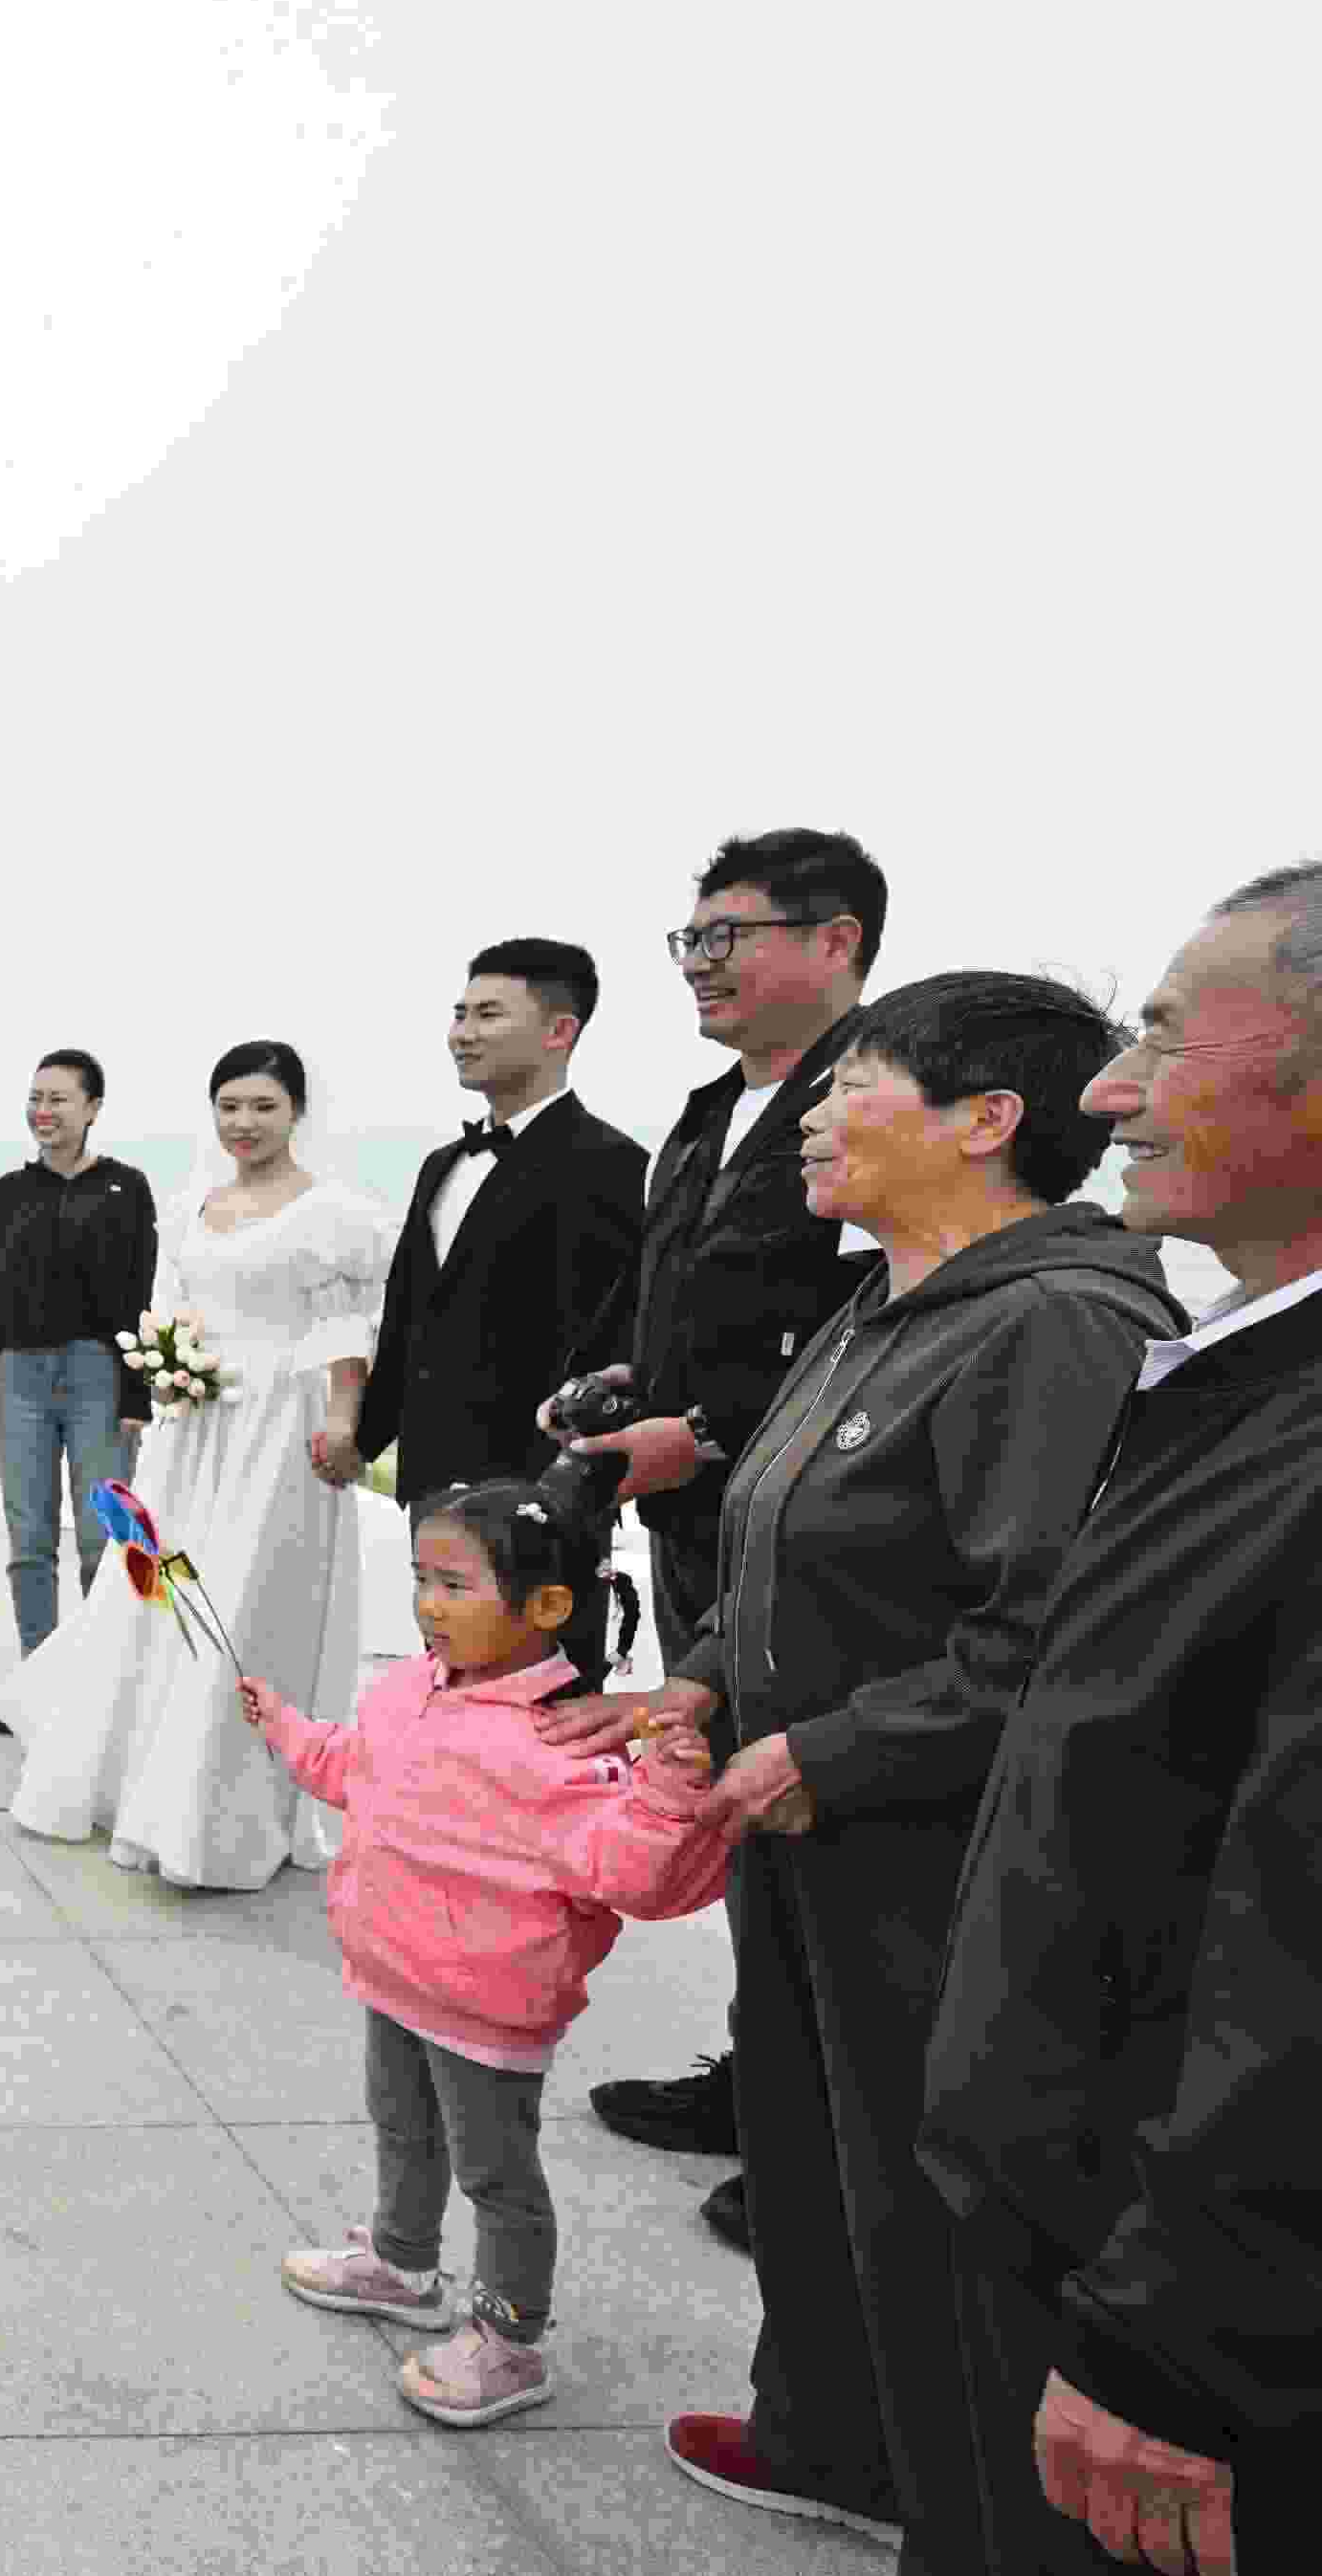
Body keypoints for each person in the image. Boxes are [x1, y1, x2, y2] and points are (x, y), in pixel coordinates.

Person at [576, 975, 1181, 2565]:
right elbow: (779, 1529)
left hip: (935, 1850)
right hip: (802, 1820)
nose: (815, 1119)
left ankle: (949, 2494)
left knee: (929, 2197)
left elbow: (1046, 1629)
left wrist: (833, 1750)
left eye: (855, 1086)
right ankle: (832, 2438)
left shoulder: (1058, 1322)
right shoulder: (882, 1300)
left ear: (987, 1121)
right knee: (808, 2151)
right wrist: (705, 1679)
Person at [912, 863, 1322, 2575]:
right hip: (1070, 2213)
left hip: (1168, 2324)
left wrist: (1183, 2329)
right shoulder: (1238, 1377)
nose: (1107, 1091)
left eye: (1162, 1033)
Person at [564, 828, 889, 2242]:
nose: (699, 964)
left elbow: (868, 1330)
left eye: (728, 936)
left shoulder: (878, 1103)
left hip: (814, 1524)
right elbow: (679, 1295)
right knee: (725, 1798)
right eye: (689, 940)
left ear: (835, 942)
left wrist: (700, 1429)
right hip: (698, 1521)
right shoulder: (710, 1110)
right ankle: (761, 2082)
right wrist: (621, 1383)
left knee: (808, 1819)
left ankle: (823, 2148)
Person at [248, 1481, 723, 2429]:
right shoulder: (409, 1690)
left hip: (489, 2011)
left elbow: (634, 1873)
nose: (428, 1604)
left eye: (454, 1584)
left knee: (496, 2175)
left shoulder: (565, 1742)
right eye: (421, 1578)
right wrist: (286, 1729)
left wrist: (671, 1791)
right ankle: (402, 2261)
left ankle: (510, 2340)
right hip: (393, 1972)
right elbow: (355, 1769)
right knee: (401, 2128)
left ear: (546, 1606)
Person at [0, 1042, 398, 1885]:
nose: (244, 1123)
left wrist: (342, 1422)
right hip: (192, 1432)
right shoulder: (192, 1210)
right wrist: (168, 1374)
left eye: (263, 1107)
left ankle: (220, 1809)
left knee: (248, 1603)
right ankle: (143, 1779)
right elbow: (171, 1312)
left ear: (297, 1112)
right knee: (160, 1593)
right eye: (229, 1107)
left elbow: (344, 1333)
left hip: (277, 1433)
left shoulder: (332, 1216)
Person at [352, 940, 649, 1501]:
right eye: (459, 1014)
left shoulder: (609, 1163)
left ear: (559, 1031)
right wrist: (365, 1439)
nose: (462, 1034)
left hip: (538, 1484)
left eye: (488, 1015)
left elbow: (608, 1333)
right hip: (427, 1471)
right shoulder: (440, 1165)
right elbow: (406, 1317)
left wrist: (567, 1477)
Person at [0, 1047, 160, 1724]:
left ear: (93, 1108)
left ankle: (105, 1686)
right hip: (19, 1375)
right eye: (35, 1098)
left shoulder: (126, 1187)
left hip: (97, 1375)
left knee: (103, 1539)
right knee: (29, 1539)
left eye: (58, 1099)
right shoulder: (9, 1192)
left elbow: (139, 1294)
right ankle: (37, 1685)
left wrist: (136, 1393)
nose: (42, 1111)